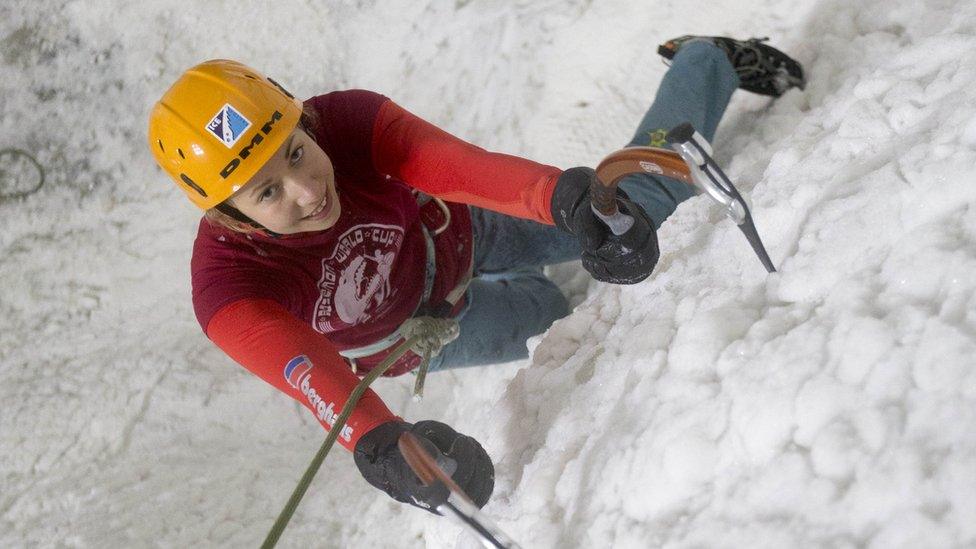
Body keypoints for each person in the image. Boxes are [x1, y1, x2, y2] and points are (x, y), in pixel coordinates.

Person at [147, 35, 804, 514]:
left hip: (462, 232)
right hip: (427, 334)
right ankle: (557, 288)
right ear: (230, 217)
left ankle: (706, 63)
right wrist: (381, 442)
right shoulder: (228, 288)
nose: (306, 188)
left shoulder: (348, 122)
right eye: (267, 193)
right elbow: (315, 376)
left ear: (302, 119)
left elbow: (457, 165)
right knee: (549, 327)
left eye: (296, 150)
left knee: (640, 209)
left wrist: (566, 200)